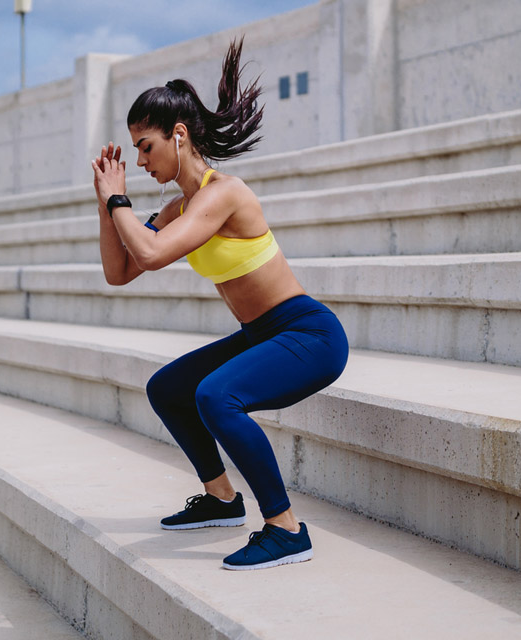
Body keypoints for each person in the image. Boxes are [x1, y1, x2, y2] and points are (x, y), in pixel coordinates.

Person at [90, 38, 349, 571]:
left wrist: (120, 202)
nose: (139, 160)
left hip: (307, 334)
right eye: (135, 149)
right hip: (261, 334)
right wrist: (105, 206)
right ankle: (222, 500)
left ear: (178, 136)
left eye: (146, 147)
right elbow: (120, 271)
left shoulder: (222, 194)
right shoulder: (178, 207)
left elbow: (154, 254)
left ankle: (285, 529)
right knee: (169, 388)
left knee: (216, 395)